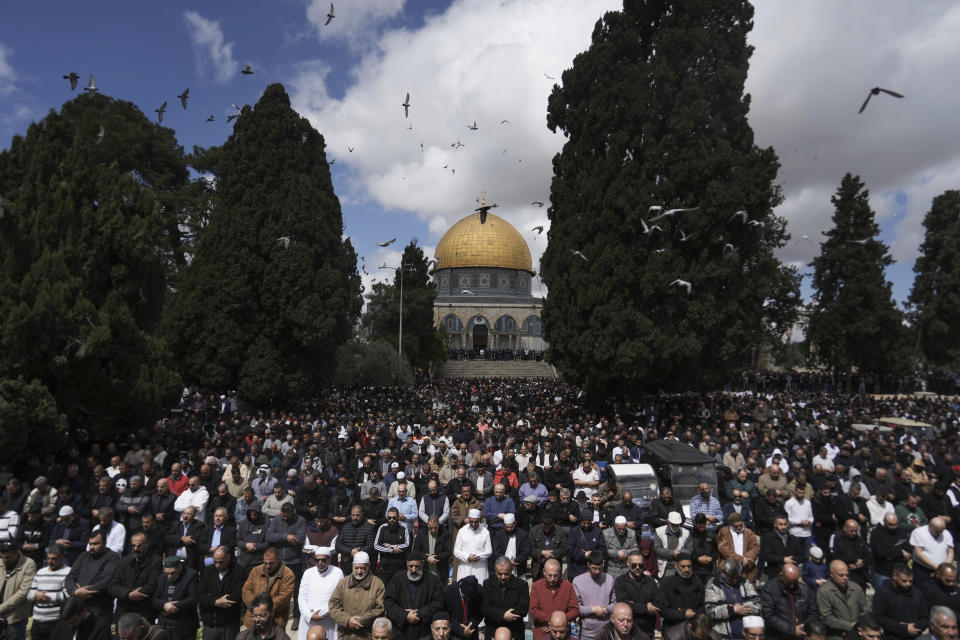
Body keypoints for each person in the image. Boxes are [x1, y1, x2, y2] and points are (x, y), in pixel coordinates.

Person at [64, 530, 119, 633]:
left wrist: (85, 591)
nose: (91, 547)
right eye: (90, 544)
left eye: (95, 544)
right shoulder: (83, 556)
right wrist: (75, 591)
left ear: (105, 543)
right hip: (80, 608)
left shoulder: (112, 557)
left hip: (100, 608)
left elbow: (106, 581)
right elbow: (70, 577)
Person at [384, 551, 444, 640]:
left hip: (423, 630)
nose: (413, 570)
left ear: (422, 564)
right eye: (411, 566)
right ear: (406, 563)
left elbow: (439, 602)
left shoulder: (432, 580)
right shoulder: (398, 578)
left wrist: (420, 613)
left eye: (417, 566)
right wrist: (405, 616)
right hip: (401, 630)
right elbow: (389, 602)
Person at [328, 551, 386, 640]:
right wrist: (347, 620)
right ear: (352, 566)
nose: (359, 571)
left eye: (363, 568)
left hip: (366, 635)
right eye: (356, 568)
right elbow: (333, 606)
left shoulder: (378, 584)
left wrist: (360, 620)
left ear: (368, 566)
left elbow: (380, 609)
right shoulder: (343, 583)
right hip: (345, 634)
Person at [110, 531, 162, 621]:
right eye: (133, 546)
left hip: (143, 611)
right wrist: (128, 594)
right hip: (123, 610)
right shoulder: (124, 561)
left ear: (147, 544)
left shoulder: (155, 561)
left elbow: (152, 585)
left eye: (139, 546)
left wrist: (133, 594)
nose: (135, 548)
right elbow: (112, 586)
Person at [758, 563, 819, 640]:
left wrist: (803, 627)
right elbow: (769, 615)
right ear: (781, 576)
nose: (792, 586)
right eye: (789, 582)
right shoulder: (769, 589)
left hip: (800, 635)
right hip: (777, 636)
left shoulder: (805, 590)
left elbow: (813, 612)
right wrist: (791, 630)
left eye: (794, 582)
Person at [614, 550, 668, 637]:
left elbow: (660, 602)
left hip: (648, 631)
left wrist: (633, 605)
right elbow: (624, 604)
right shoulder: (621, 581)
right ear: (628, 563)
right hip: (628, 632)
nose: (637, 567)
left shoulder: (650, 582)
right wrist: (646, 608)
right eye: (634, 565)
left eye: (641, 565)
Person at [705, 559, 761, 640]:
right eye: (731, 577)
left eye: (736, 577)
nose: (735, 580)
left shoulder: (745, 582)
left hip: (746, 635)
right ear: (724, 572)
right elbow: (710, 610)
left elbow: (758, 604)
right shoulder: (714, 584)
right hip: (723, 636)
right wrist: (732, 610)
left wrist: (742, 607)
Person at [241, 547, 296, 628]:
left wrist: (263, 609)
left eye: (271, 563)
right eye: (265, 563)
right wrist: (255, 607)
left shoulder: (288, 574)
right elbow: (246, 590)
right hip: (253, 623)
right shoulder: (256, 571)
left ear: (278, 559)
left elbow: (284, 597)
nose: (267, 566)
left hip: (275, 622)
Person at [197, 546, 244, 640]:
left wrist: (211, 597)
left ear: (229, 558)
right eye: (215, 562)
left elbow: (237, 595)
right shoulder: (208, 571)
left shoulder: (239, 571)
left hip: (230, 624)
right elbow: (200, 595)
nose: (217, 565)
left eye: (221, 562)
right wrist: (215, 601)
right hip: (210, 624)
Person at [872, 564, 929, 640]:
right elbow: (879, 617)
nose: (908, 584)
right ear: (895, 576)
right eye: (904, 581)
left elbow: (925, 617)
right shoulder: (883, 593)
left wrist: (915, 627)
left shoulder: (917, 593)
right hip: (892, 636)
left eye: (910, 581)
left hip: (915, 636)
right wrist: (903, 628)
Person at [299, 547, 345, 640]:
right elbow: (302, 596)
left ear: (330, 559)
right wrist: (309, 615)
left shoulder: (337, 573)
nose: (320, 563)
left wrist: (322, 613)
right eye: (317, 560)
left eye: (323, 560)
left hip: (328, 618)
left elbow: (339, 598)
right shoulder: (308, 573)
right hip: (308, 618)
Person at [26, 544, 70, 640]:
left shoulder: (68, 572)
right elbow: (29, 595)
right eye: (48, 558)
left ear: (62, 557)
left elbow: (68, 595)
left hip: (56, 622)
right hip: (37, 621)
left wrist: (47, 596)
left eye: (54, 559)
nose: (50, 561)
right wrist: (36, 595)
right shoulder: (41, 572)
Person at [816, 560, 866, 640]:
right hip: (836, 635)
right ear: (831, 574)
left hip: (857, 634)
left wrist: (858, 625)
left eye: (847, 575)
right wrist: (848, 626)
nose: (845, 578)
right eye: (841, 575)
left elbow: (865, 610)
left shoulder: (856, 588)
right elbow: (826, 617)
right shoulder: (824, 591)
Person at [481, 557, 529, 640]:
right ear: (495, 571)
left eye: (506, 574)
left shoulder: (522, 585)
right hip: (493, 629)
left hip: (515, 630)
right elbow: (485, 608)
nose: (503, 577)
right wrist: (502, 615)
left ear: (511, 570)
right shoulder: (487, 584)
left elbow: (523, 609)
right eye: (500, 574)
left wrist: (503, 614)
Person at [529, 559, 578, 640]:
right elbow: (533, 610)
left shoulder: (568, 586)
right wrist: (552, 622)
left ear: (560, 573)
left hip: (563, 634)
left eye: (555, 576)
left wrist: (559, 624)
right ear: (544, 572)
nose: (552, 579)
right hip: (542, 632)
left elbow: (575, 610)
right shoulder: (536, 586)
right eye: (549, 575)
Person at [573, 551, 616, 640]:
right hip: (587, 633)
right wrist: (593, 610)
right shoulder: (578, 581)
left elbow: (615, 603)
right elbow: (575, 608)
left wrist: (605, 609)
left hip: (607, 631)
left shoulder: (609, 579)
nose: (597, 571)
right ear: (588, 564)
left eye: (600, 568)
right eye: (594, 568)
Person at [152, 557, 198, 640]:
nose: (169, 576)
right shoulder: (162, 577)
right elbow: (155, 599)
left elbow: (193, 599)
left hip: (183, 624)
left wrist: (173, 607)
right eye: (167, 573)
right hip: (164, 624)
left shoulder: (191, 575)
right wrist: (164, 606)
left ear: (179, 567)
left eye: (172, 573)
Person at [659, 554, 705, 636]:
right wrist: (683, 614)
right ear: (676, 566)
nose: (687, 569)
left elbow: (702, 606)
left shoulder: (698, 582)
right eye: (683, 566)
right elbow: (663, 610)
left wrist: (694, 614)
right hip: (673, 628)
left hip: (693, 627)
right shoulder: (667, 583)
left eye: (689, 566)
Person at [873, 512, 912, 590]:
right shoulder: (876, 534)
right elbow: (881, 552)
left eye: (895, 524)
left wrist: (892, 555)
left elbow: (908, 548)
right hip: (884, 573)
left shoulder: (900, 531)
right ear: (884, 522)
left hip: (901, 571)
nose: (894, 527)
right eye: (890, 524)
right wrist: (900, 553)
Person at [828, 519, 870, 589]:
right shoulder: (837, 538)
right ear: (845, 528)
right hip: (843, 575)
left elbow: (868, 556)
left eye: (855, 531)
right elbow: (834, 556)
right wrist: (853, 561)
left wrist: (861, 563)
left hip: (860, 576)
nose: (854, 533)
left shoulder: (860, 540)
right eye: (852, 531)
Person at [911, 517, 954, 585]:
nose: (940, 534)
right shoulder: (919, 532)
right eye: (937, 531)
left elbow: (950, 552)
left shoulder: (946, 533)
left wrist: (945, 567)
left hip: (941, 572)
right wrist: (937, 567)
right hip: (923, 569)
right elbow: (918, 553)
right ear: (930, 526)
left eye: (941, 531)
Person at [375, 508, 412, 586]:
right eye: (389, 518)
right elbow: (376, 546)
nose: (391, 520)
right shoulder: (382, 527)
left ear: (398, 517)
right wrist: (391, 549)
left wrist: (390, 546)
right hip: (385, 567)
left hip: (399, 567)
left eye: (394, 518)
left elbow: (407, 544)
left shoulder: (404, 527)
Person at [717, 513, 759, 582]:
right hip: (729, 568)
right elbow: (724, 549)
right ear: (731, 525)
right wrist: (740, 560)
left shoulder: (748, 532)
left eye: (740, 525)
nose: (739, 528)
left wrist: (747, 559)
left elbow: (755, 547)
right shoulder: (724, 532)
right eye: (736, 526)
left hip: (746, 569)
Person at [452, 510, 490, 583]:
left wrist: (476, 557)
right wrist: (467, 557)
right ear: (468, 519)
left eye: (476, 522)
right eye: (471, 521)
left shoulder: (485, 532)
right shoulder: (462, 531)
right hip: (465, 568)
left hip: (480, 569)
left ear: (479, 520)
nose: (473, 524)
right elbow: (456, 551)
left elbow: (489, 551)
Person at [337, 506, 377, 575]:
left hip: (362, 568)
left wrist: (357, 552)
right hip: (347, 567)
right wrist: (350, 551)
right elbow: (338, 545)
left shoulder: (369, 528)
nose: (355, 517)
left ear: (362, 514)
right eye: (353, 515)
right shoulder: (345, 527)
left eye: (357, 515)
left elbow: (371, 546)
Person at [441, 575, 482, 640]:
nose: (468, 599)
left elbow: (480, 612)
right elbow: (444, 614)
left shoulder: (479, 592)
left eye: (471, 597)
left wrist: (470, 625)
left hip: (471, 633)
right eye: (467, 596)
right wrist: (459, 628)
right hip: (453, 633)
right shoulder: (448, 592)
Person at [413, 515, 452, 582]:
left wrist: (436, 558)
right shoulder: (421, 534)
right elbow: (416, 550)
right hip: (424, 571)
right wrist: (426, 558)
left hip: (441, 572)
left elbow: (448, 551)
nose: (433, 530)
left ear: (439, 525)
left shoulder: (445, 534)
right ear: (428, 525)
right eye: (431, 528)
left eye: (435, 528)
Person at [489, 513, 528, 577]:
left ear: (515, 523)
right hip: (502, 567)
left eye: (511, 527)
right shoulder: (499, 534)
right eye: (507, 527)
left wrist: (515, 560)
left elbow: (525, 552)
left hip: (518, 568)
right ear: (504, 525)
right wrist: (507, 562)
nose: (509, 529)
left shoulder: (523, 535)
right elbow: (496, 551)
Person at [530, 513, 567, 580]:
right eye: (544, 527)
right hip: (538, 566)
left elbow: (564, 549)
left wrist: (550, 554)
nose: (547, 530)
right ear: (541, 522)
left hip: (554, 567)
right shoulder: (533, 531)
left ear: (553, 523)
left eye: (549, 528)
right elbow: (530, 549)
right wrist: (542, 552)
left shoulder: (560, 532)